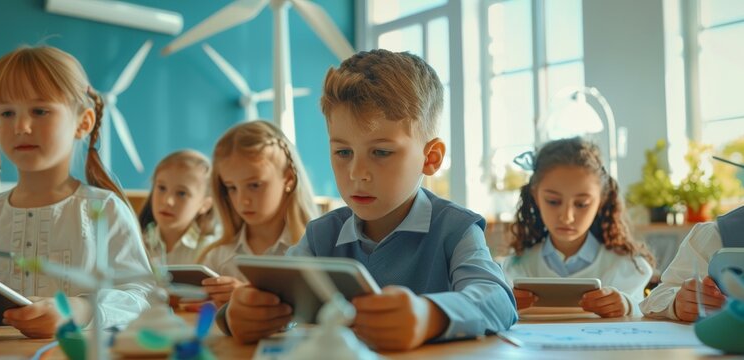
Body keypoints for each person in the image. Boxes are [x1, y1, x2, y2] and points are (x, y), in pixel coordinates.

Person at [222, 50, 517, 351]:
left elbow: (497, 299)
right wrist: (237, 316)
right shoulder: (321, 236)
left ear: (431, 158)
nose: (357, 173)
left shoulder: (456, 229)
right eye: (343, 152)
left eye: (381, 152)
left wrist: (431, 316)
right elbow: (269, 297)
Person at [0, 46, 154, 339]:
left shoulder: (105, 210)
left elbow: (145, 298)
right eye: (7, 112)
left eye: (40, 110)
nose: (21, 126)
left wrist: (80, 310)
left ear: (83, 123)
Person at [504, 138, 654, 317]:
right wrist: (502, 304)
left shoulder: (626, 267)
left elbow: (647, 313)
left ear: (601, 201)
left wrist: (627, 305)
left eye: (582, 204)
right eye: (553, 201)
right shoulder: (514, 269)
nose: (567, 217)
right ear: (536, 196)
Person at [198, 120, 319, 306]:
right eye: (231, 188)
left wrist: (245, 296)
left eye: (254, 185)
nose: (242, 200)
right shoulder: (217, 258)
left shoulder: (316, 250)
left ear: (288, 179)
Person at [139, 150, 216, 266]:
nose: (167, 201)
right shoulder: (136, 243)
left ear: (205, 205)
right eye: (161, 188)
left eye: (181, 193)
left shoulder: (210, 251)